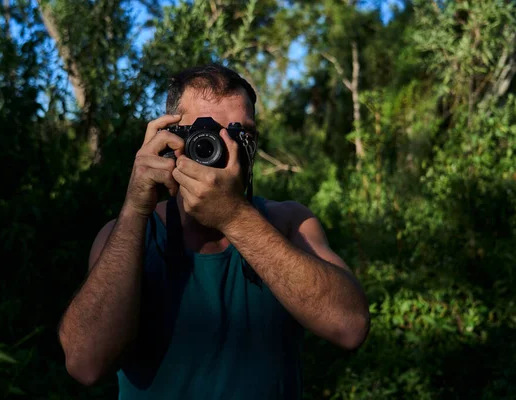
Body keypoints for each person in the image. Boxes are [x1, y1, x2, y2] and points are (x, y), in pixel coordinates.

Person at [58, 64, 370, 399]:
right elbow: (84, 363)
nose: (224, 149)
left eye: (240, 134)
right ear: (169, 139)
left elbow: (350, 327)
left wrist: (234, 217)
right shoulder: (128, 236)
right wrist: (135, 207)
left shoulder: (290, 223)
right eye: (205, 133)